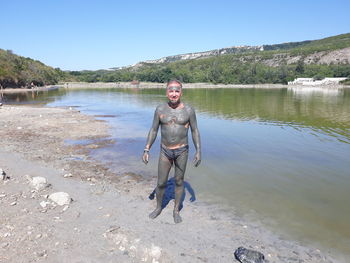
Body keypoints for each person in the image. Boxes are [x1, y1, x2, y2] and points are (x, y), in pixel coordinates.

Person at [142, 79, 201, 223]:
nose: (174, 94)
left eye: (177, 91)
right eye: (171, 90)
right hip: (165, 151)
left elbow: (194, 130)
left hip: (182, 151)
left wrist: (198, 150)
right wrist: (147, 148)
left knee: (179, 182)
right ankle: (158, 207)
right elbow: (154, 129)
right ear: (166, 92)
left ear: (181, 92)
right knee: (161, 183)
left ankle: (176, 211)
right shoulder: (160, 109)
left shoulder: (189, 110)